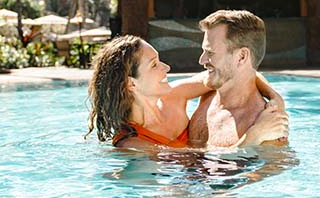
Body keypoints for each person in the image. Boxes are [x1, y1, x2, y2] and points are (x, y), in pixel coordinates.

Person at [86, 35, 287, 150]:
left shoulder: (175, 96)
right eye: (154, 65)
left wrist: (275, 98)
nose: (166, 68)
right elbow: (200, 160)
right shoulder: (131, 143)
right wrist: (254, 135)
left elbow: (230, 73)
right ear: (131, 84)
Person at [189, 10, 289, 148]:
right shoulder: (207, 95)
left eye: (210, 52)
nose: (202, 60)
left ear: (242, 56)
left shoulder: (267, 126)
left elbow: (271, 168)